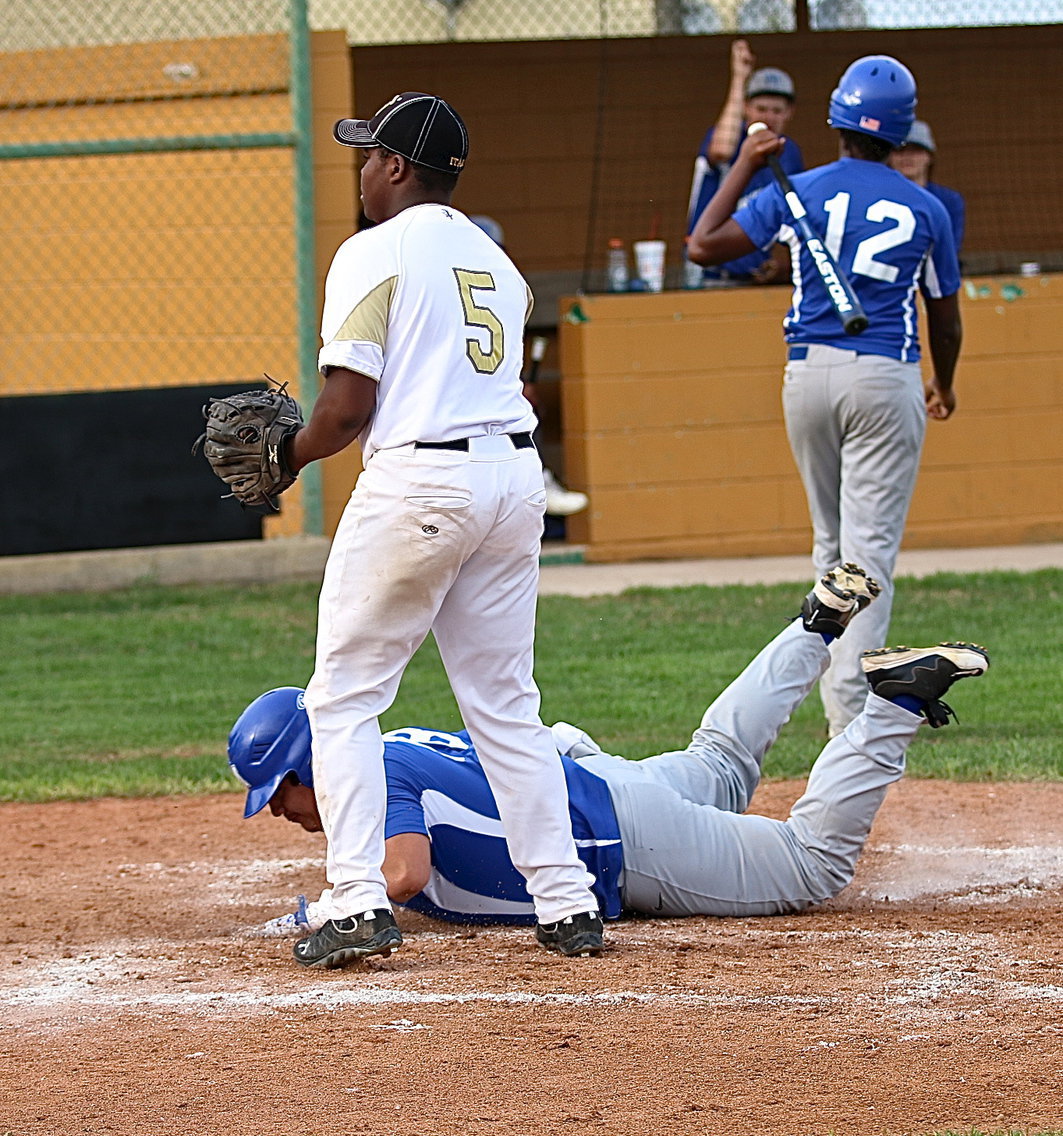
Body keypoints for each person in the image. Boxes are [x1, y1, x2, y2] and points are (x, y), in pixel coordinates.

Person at [279, 91, 604, 967]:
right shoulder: (498, 263)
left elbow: (346, 409)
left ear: (394, 166)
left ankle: (354, 902)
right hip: (512, 480)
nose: (360, 168)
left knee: (343, 696)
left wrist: (289, 453)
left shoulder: (371, 251)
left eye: (368, 154)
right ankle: (566, 902)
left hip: (423, 479)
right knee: (505, 702)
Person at [228, 565, 989, 932]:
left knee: (811, 864)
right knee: (719, 764)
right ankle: (813, 627)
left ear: (313, 763)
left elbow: (402, 873)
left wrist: (322, 911)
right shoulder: (398, 742)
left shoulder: (378, 770)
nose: (283, 815)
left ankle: (893, 703)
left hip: (622, 839)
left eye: (280, 795)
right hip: (600, 784)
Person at [688, 55, 963, 738]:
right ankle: (850, 722)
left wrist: (749, 161)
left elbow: (700, 245)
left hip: (806, 373)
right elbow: (945, 317)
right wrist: (945, 382)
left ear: (836, 118)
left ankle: (808, 696)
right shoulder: (925, 207)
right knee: (866, 554)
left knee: (829, 549)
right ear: (900, 133)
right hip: (883, 374)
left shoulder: (799, 186)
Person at [468, 214, 588, 519]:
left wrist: (520, 385)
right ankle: (538, 480)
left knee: (524, 406)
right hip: (453, 409)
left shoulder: (505, 285)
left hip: (489, 395)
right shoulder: (447, 285)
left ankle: (540, 479)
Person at [686, 39, 804, 283]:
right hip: (710, 275)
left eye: (777, 110)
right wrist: (740, 78)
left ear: (789, 113)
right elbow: (720, 151)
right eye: (761, 108)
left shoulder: (788, 151)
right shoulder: (728, 136)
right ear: (746, 108)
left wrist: (780, 266)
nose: (769, 117)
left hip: (755, 278)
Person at [889, 119, 966, 258]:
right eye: (900, 151)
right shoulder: (878, 197)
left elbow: (950, 250)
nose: (907, 157)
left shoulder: (949, 200)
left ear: (929, 156)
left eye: (915, 150)